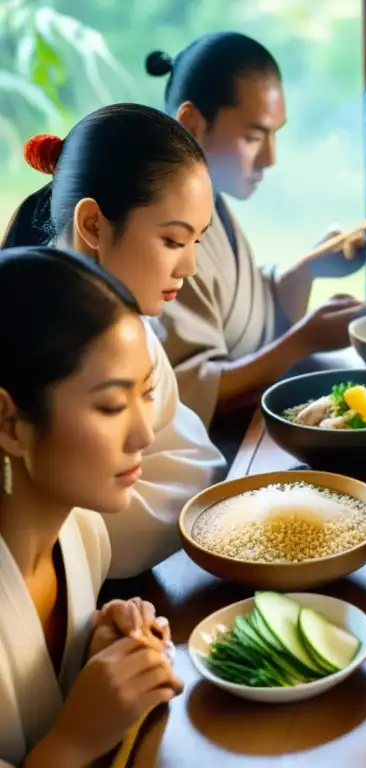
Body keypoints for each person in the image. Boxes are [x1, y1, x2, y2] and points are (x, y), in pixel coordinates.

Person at [4, 103, 227, 578]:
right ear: (92, 226)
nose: (188, 267)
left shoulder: (127, 326)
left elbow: (194, 461)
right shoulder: (32, 338)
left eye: (197, 242)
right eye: (172, 240)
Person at [0, 246, 183, 768]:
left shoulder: (82, 529)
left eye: (146, 392)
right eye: (110, 405)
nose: (145, 433)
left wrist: (95, 651)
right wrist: (74, 742)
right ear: (9, 423)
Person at [145, 33, 366, 437]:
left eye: (274, 134)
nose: (269, 158)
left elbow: (243, 316)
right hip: (207, 449)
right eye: (253, 137)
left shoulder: (211, 199)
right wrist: (304, 341)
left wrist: (306, 270)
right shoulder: (161, 226)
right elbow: (184, 391)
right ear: (191, 124)